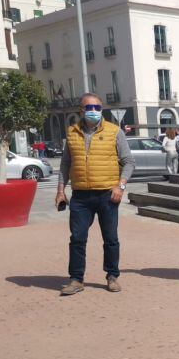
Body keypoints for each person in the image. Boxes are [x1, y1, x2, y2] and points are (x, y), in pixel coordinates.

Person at [54, 94, 135, 296]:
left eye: (98, 108)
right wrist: (60, 190)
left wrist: (120, 187)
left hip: (107, 194)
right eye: (89, 107)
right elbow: (65, 164)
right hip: (81, 196)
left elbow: (128, 162)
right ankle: (76, 279)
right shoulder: (72, 133)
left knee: (110, 239)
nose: (94, 111)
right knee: (77, 238)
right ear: (81, 110)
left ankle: (112, 276)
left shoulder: (114, 132)